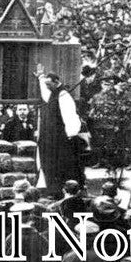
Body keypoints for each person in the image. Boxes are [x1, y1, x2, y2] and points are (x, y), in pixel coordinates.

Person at [35, 64, 84, 192]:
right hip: (50, 138)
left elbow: (71, 116)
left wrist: (70, 135)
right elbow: (45, 93)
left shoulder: (63, 95)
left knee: (61, 165)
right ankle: (52, 189)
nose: (47, 86)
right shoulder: (52, 93)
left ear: (56, 82)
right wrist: (41, 77)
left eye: (49, 84)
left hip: (61, 139)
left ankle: (62, 190)